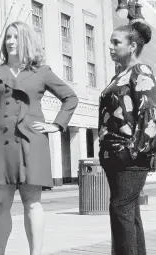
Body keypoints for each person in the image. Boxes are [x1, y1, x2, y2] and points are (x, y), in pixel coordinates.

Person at [0, 21, 78, 255]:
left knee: (32, 202)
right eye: (8, 37)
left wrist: (56, 125)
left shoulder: (41, 72)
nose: (11, 41)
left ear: (26, 40)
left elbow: (70, 97)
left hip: (31, 142)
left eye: (16, 37)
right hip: (1, 143)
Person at [99, 20, 155, 255]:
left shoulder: (140, 71)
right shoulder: (119, 75)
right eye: (110, 42)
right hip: (114, 156)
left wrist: (134, 151)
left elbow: (149, 113)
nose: (110, 47)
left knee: (120, 210)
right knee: (129, 214)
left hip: (129, 157)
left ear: (132, 46)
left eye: (116, 42)